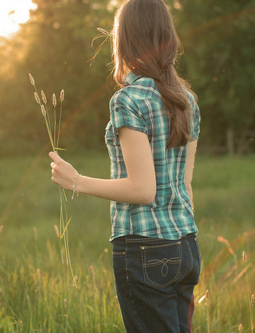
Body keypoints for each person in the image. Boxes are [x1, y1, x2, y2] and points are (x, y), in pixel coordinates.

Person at [49, 0, 201, 331]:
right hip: (186, 245)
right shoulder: (187, 101)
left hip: (145, 249)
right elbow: (184, 185)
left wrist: (76, 180)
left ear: (124, 40)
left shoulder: (128, 100)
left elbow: (143, 190)